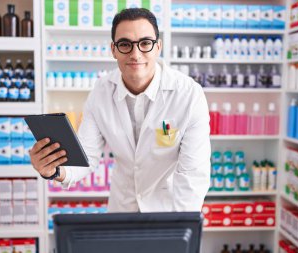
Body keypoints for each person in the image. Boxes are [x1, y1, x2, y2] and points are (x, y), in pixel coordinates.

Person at [30, 8, 211, 212]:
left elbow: (193, 174)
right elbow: (87, 157)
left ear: (158, 47)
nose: (135, 54)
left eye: (145, 43)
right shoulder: (101, 92)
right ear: (113, 50)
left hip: (170, 210)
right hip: (122, 209)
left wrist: (180, 227)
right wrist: (53, 170)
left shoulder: (188, 94)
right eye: (125, 44)